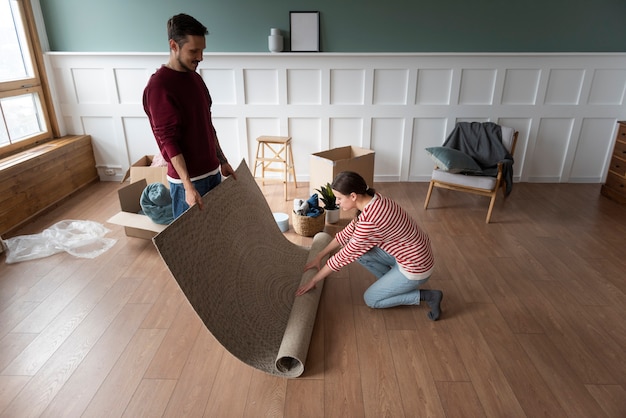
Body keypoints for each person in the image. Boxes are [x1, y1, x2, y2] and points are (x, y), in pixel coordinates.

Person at [296, 171, 443, 320]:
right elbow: (347, 233)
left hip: (416, 266)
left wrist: (313, 280)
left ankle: (427, 295)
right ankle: (394, 284)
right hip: (410, 253)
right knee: (361, 253)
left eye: (339, 198)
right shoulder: (375, 199)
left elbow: (343, 256)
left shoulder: (370, 221)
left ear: (353, 196)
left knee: (371, 299)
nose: (336, 202)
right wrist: (319, 256)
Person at [143, 13, 236, 219]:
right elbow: (168, 141)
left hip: (212, 173)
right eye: (194, 51)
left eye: (202, 50)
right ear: (174, 45)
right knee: (193, 238)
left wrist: (222, 160)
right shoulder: (159, 87)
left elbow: (207, 125)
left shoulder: (195, 78)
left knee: (216, 232)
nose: (200, 57)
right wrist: (188, 186)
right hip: (188, 183)